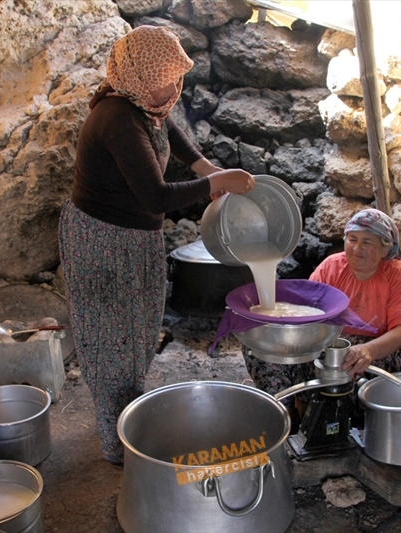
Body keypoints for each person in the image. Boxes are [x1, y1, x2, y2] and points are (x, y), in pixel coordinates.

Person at [58, 25, 255, 466]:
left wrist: (205, 165)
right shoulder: (116, 118)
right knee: (109, 338)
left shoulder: (147, 103)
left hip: (135, 238)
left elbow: (173, 135)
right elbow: (156, 196)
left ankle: (130, 416)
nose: (176, 87)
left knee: (137, 332)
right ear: (143, 78)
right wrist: (213, 183)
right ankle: (115, 443)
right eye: (169, 78)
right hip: (101, 240)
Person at [243, 208, 401, 424]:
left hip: (376, 357)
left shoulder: (397, 274)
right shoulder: (331, 267)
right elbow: (305, 315)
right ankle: (286, 417)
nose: (357, 248)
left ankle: (388, 412)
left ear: (385, 249)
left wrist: (368, 350)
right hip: (325, 354)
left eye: (367, 242)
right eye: (352, 239)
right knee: (258, 346)